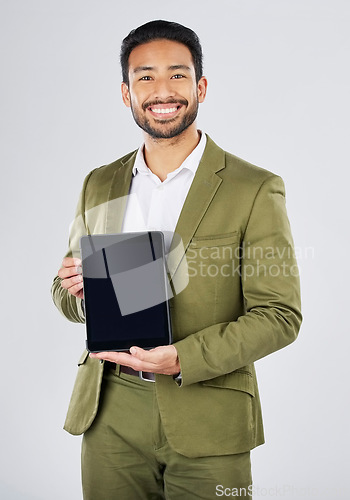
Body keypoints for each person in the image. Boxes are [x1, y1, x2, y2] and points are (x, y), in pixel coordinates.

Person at [51, 20, 302, 500]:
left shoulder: (254, 188)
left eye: (177, 75)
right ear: (126, 94)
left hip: (209, 413)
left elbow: (280, 316)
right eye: (144, 77)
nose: (161, 90)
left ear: (200, 86)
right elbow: (65, 296)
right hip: (110, 412)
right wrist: (76, 290)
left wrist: (182, 358)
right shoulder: (99, 183)